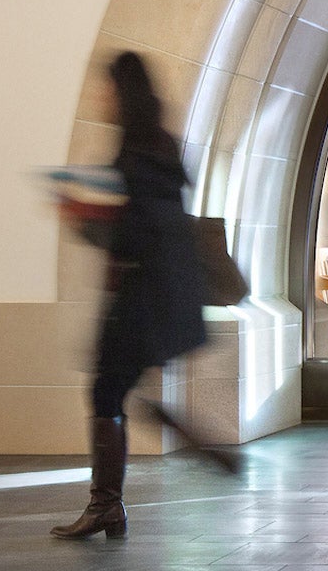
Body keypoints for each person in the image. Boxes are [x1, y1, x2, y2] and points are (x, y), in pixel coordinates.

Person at [52, 50, 220, 541]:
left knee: (108, 390)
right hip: (153, 292)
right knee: (116, 390)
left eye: (106, 89)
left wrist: (82, 215)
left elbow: (137, 229)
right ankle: (112, 503)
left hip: (139, 294)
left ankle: (108, 504)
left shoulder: (139, 152)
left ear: (122, 93)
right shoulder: (156, 146)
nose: (100, 98)